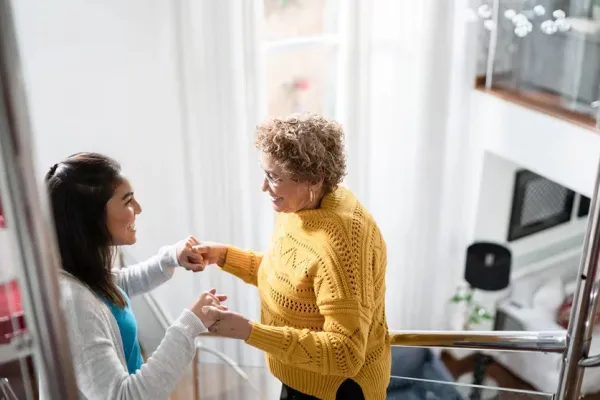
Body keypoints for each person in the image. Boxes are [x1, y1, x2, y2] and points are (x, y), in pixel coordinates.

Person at [195, 113, 391, 400]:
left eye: (273, 177)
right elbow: (290, 277)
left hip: (335, 390)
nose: (264, 187)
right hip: (302, 374)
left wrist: (250, 332)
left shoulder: (343, 243)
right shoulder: (300, 209)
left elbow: (346, 353)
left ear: (314, 179)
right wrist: (224, 256)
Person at [43, 152, 225, 400]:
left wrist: (172, 256)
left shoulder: (84, 276)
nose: (138, 208)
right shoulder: (73, 303)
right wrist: (189, 324)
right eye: (128, 201)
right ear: (91, 216)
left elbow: (121, 283)